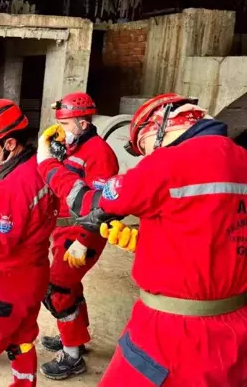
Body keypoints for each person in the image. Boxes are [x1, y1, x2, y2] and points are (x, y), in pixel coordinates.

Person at [37, 93, 247, 386]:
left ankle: (72, 352)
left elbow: (90, 202)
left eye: (144, 147)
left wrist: (46, 164)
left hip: (174, 329)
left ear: (157, 127)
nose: (146, 156)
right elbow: (213, 229)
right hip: (235, 327)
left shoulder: (167, 163)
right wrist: (146, 241)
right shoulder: (240, 157)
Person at [0, 99, 59, 387]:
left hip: (3, 282)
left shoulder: (13, 184)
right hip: (34, 275)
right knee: (22, 340)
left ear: (10, 143)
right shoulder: (35, 165)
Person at [39, 92, 119, 380]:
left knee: (58, 289)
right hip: (64, 230)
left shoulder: (99, 154)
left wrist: (84, 241)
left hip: (83, 232)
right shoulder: (73, 148)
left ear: (84, 124)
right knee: (70, 286)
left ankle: (71, 355)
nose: (63, 130)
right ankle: (76, 337)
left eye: (67, 124)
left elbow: (102, 206)